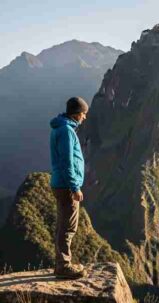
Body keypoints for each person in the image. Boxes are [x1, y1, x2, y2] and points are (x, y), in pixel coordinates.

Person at [49, 96, 89, 279]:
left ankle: (62, 264)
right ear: (76, 113)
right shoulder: (66, 131)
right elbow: (67, 162)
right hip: (66, 186)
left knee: (64, 225)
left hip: (60, 183)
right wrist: (75, 187)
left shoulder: (61, 128)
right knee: (68, 227)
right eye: (83, 114)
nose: (84, 117)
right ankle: (63, 266)